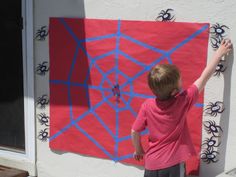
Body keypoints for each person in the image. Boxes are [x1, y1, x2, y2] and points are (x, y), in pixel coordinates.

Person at [131, 39, 232, 177]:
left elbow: (134, 131)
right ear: (174, 92)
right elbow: (204, 77)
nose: (182, 81)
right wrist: (219, 53)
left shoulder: (147, 105)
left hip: (151, 165)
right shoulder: (182, 101)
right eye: (180, 80)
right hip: (173, 165)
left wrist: (138, 150)